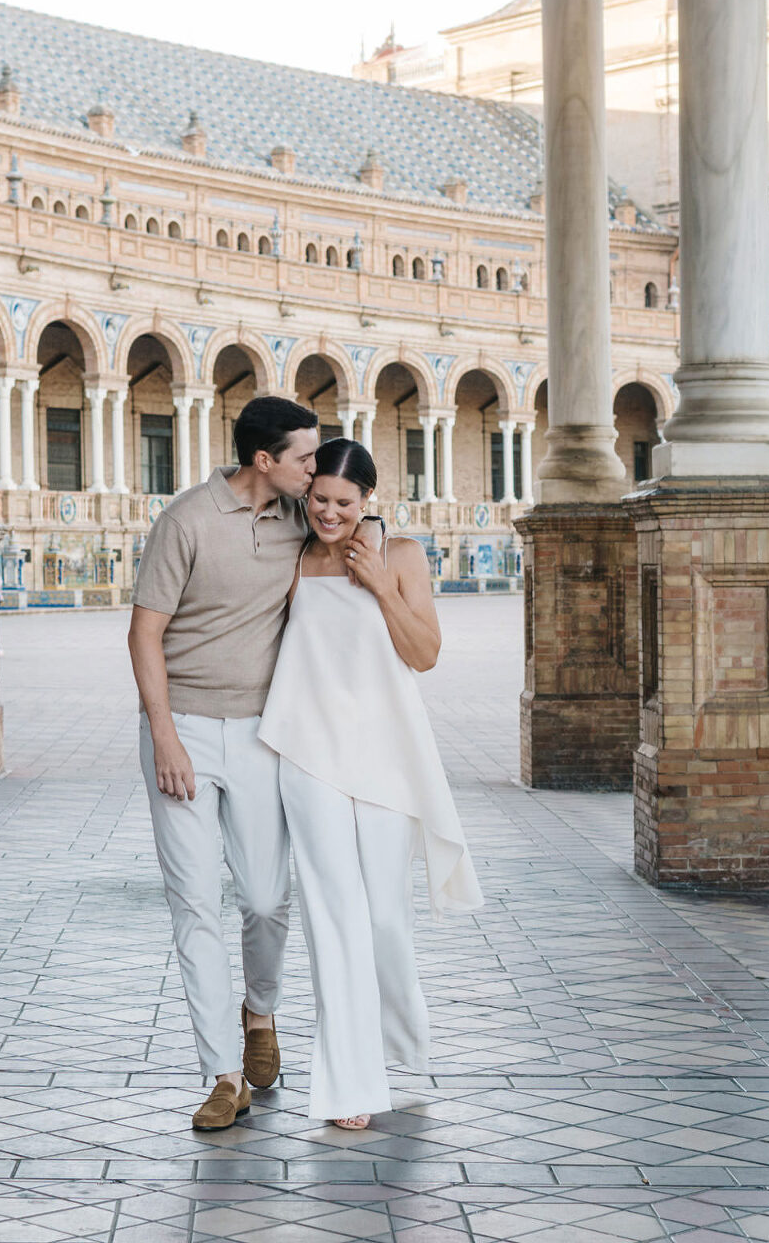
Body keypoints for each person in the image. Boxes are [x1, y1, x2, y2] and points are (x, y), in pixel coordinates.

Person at [259, 437, 482, 1129]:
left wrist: (382, 582)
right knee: (335, 917)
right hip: (307, 754)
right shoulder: (293, 558)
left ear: (369, 501)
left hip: (383, 755)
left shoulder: (403, 554)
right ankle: (349, 1087)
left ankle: (399, 1046)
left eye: (344, 503)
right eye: (319, 498)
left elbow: (425, 654)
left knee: (384, 916)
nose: (329, 513)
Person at [128, 394, 320, 1131]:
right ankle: (222, 1073)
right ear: (263, 460)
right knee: (195, 902)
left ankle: (259, 1012)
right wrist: (165, 736)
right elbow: (146, 634)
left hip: (263, 734)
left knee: (269, 897)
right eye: (304, 455)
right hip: (182, 734)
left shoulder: (301, 518)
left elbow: (356, 519)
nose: (315, 466)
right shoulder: (187, 520)